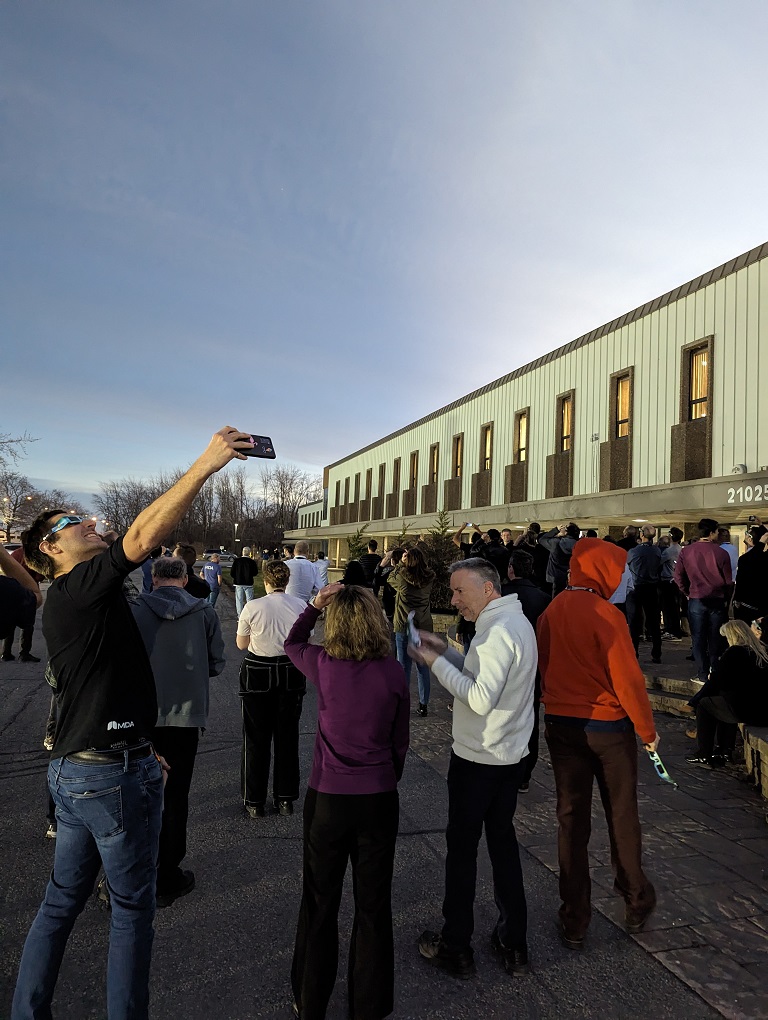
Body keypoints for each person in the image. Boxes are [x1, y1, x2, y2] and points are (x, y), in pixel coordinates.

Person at [12, 425, 252, 1020]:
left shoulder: (80, 596)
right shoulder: (79, 587)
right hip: (109, 777)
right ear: (52, 549)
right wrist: (206, 464)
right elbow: (142, 536)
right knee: (131, 909)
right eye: (74, 522)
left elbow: (104, 683)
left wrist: (143, 745)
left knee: (61, 902)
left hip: (82, 767)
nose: (91, 522)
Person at [284, 583, 409, 1020]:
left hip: (329, 797)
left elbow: (292, 642)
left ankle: (310, 999)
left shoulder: (324, 664)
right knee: (373, 904)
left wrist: (314, 606)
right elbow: (399, 741)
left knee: (320, 900)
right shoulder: (393, 672)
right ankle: (368, 1006)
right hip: (378, 796)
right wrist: (387, 776)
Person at [411, 558, 536, 979]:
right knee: (502, 845)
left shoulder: (498, 631)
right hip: (508, 756)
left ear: (487, 588)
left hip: (480, 759)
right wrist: (446, 650)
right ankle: (513, 942)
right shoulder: (512, 622)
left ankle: (456, 945)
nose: (453, 600)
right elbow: (486, 675)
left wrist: (436, 663)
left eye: (459, 591)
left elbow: (480, 698)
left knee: (462, 852)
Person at [537, 538, 659, 950]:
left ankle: (574, 916)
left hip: (562, 725)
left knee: (571, 820)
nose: (622, 578)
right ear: (603, 571)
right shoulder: (608, 614)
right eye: (619, 570)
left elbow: (542, 667)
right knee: (621, 814)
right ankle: (636, 897)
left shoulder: (551, 611)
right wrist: (647, 731)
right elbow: (628, 679)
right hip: (609, 729)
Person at [131, 555, 225, 906]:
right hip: (185, 718)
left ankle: (129, 869)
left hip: (141, 718)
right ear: (185, 580)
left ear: (154, 579)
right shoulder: (204, 612)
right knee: (175, 795)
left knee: (135, 794)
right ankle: (168, 871)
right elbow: (216, 663)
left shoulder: (135, 611)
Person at [236, 560, 307, 817]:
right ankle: (285, 798)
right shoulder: (300, 605)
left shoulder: (253, 606)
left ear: (266, 581)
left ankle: (254, 800)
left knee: (255, 738)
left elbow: (241, 644)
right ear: (286, 581)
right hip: (290, 670)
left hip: (258, 670)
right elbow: (306, 640)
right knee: (287, 737)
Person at [686, 620, 768, 767]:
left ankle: (704, 753)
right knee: (723, 701)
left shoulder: (735, 652)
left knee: (705, 705)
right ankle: (724, 751)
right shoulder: (760, 652)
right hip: (762, 710)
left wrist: (694, 701)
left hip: (749, 710)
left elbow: (716, 681)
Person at [501, 549, 551, 791]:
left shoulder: (500, 595)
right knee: (530, 718)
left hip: (505, 666)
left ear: (511, 569)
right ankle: (525, 772)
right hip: (533, 666)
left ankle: (505, 765)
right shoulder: (544, 598)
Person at [674, 518, 733, 683]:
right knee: (716, 637)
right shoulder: (722, 553)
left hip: (696, 598)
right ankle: (714, 670)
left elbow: (678, 576)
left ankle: (702, 673)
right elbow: (728, 581)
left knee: (698, 638)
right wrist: (726, 598)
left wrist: (687, 591)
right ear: (712, 532)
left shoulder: (686, 551)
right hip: (717, 599)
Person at [382, 545, 435, 716]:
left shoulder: (402, 580)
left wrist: (399, 564)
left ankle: (402, 704)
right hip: (423, 626)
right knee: (423, 668)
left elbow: (390, 578)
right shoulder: (429, 579)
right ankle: (423, 704)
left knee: (403, 667)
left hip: (404, 626)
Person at [2, 539, 43, 662]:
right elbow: (38, 575)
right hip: (27, 590)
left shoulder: (15, 553)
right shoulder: (32, 555)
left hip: (11, 589)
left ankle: (6, 652)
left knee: (11, 621)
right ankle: (24, 653)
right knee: (27, 624)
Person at [626, 525, 662, 664]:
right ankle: (657, 652)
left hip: (636, 587)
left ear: (641, 534)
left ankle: (634, 652)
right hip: (652, 587)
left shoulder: (634, 551)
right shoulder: (657, 551)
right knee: (654, 621)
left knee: (634, 622)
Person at [732, 524, 768, 624]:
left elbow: (740, 581)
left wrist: (737, 600)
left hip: (748, 605)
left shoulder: (746, 558)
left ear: (750, 539)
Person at [538, 523, 580, 596]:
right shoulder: (578, 545)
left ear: (566, 532)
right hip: (570, 576)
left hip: (554, 576)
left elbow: (541, 539)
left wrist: (556, 530)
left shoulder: (556, 542)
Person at [659, 531, 684, 639]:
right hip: (676, 580)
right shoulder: (680, 549)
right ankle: (675, 629)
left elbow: (659, 561)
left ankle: (670, 630)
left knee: (668, 607)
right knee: (675, 607)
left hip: (668, 580)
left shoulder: (669, 551)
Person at [231, 545, 260, 616]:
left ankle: (240, 615)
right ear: (249, 553)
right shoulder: (252, 562)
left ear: (242, 552)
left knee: (239, 600)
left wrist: (236, 577)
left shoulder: (237, 561)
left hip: (238, 582)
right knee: (249, 601)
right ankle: (249, 615)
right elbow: (255, 573)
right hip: (248, 583)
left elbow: (232, 572)